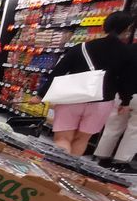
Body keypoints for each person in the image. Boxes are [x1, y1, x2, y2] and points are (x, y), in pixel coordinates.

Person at [35, 11, 134, 156]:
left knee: (63, 138)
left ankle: (55, 171)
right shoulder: (127, 53)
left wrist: (40, 95)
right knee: (82, 140)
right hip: (102, 102)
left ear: (104, 26)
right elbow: (126, 80)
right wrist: (125, 102)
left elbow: (58, 72)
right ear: (127, 29)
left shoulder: (82, 48)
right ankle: (69, 174)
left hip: (72, 99)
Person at [92, 41, 137, 173]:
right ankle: (121, 162)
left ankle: (103, 157)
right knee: (134, 130)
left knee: (113, 125)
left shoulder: (128, 49)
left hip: (120, 93)